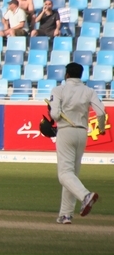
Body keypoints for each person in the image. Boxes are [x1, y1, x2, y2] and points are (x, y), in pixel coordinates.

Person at [50, 62, 106, 224]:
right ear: (80, 75)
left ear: (66, 75)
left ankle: (85, 195)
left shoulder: (59, 90)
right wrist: (101, 128)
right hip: (82, 132)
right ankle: (66, 214)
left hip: (66, 131)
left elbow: (54, 115)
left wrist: (55, 113)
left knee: (64, 174)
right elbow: (101, 112)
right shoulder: (89, 91)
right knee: (71, 174)